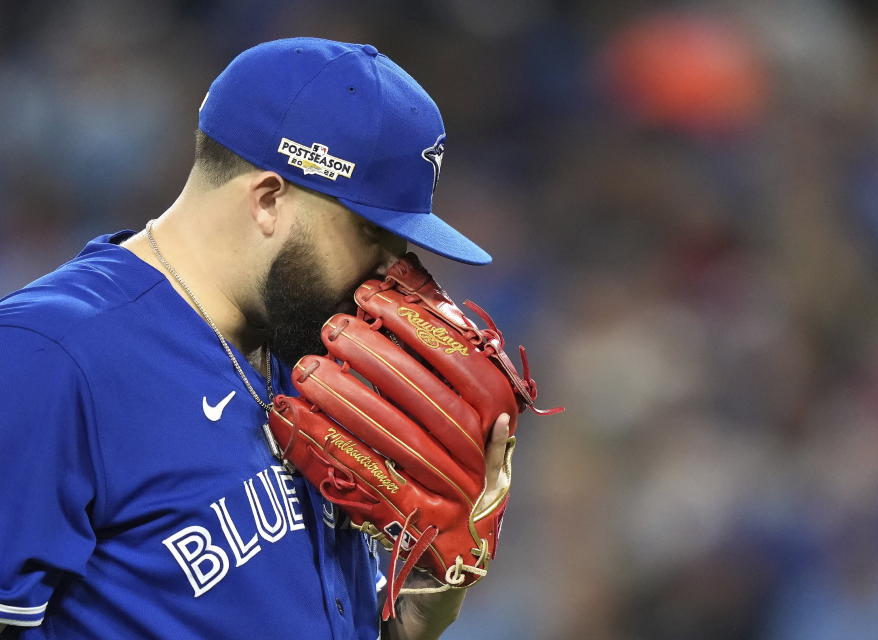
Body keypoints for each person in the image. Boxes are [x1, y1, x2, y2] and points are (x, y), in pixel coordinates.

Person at [0, 37, 512, 639]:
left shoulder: (317, 359)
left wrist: (407, 623)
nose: (393, 272)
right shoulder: (47, 358)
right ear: (269, 200)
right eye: (372, 233)